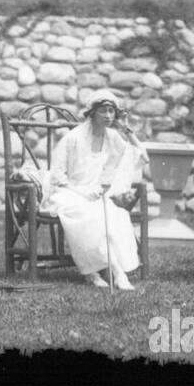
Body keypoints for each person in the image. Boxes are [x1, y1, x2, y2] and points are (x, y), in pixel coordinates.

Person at [47, 90, 149, 291]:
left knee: (115, 216)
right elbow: (57, 177)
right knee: (91, 215)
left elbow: (141, 156)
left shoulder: (112, 137)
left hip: (94, 195)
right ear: (92, 113)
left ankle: (109, 272)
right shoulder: (73, 138)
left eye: (112, 112)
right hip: (68, 193)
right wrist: (81, 193)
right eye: (104, 111)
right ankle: (102, 273)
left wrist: (126, 129)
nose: (109, 116)